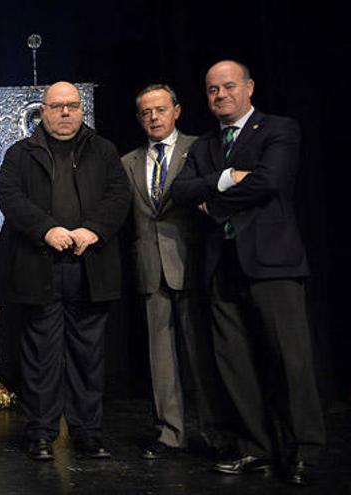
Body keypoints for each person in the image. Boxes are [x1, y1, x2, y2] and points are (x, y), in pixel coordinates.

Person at [172, 60, 325, 485]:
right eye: (212, 90)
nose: (220, 95)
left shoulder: (279, 129)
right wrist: (224, 179)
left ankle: (303, 451)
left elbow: (270, 181)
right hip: (221, 268)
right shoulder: (203, 145)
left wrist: (213, 200)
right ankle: (255, 448)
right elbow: (181, 190)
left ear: (249, 87)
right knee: (234, 364)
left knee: (289, 361)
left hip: (272, 263)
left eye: (228, 86)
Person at [0, 81, 130, 461]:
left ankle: (88, 433)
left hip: (91, 267)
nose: (65, 112)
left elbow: (118, 196)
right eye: (57, 106)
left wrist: (93, 230)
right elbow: (9, 197)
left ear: (81, 109)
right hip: (40, 268)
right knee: (40, 357)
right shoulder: (20, 154)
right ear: (43, 111)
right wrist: (46, 229)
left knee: (89, 357)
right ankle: (41, 434)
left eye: (72, 105)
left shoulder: (103, 151)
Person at [121, 84, 230, 459]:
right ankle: (170, 434)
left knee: (203, 355)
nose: (153, 117)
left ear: (177, 111)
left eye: (160, 110)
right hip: (150, 270)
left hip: (194, 265)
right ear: (139, 118)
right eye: (146, 112)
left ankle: (217, 434)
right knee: (161, 358)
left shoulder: (198, 149)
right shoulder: (128, 162)